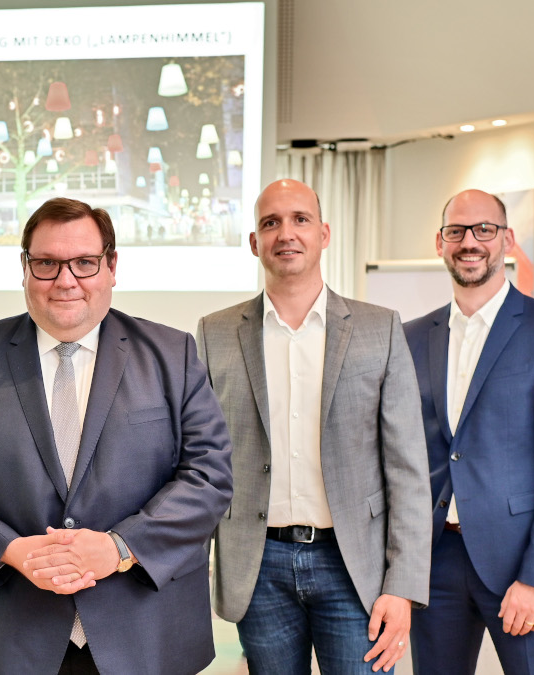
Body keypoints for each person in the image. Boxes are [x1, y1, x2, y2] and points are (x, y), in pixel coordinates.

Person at [0, 197, 234, 675]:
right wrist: (9, 549)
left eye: (84, 262)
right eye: (47, 264)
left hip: (144, 633)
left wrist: (119, 548)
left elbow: (209, 474)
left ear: (112, 266)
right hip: (10, 633)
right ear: (25, 269)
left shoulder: (171, 353)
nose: (65, 280)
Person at [196, 179, 431, 674]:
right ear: (254, 243)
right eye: (270, 222)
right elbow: (199, 461)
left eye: (300, 219)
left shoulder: (379, 328)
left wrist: (403, 587)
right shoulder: (214, 333)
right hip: (258, 568)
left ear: (324, 233)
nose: (286, 233)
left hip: (355, 570)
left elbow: (408, 469)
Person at [404, 189, 534, 674]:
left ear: (507, 240)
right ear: (440, 243)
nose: (470, 242)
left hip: (522, 564)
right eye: (457, 231)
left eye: (484, 229)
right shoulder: (409, 337)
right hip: (435, 565)